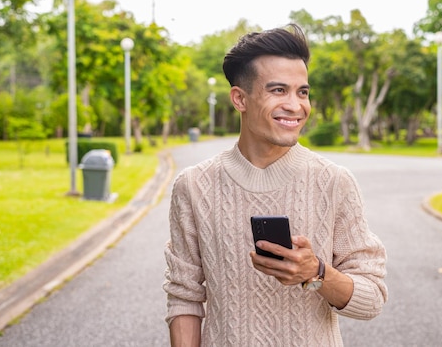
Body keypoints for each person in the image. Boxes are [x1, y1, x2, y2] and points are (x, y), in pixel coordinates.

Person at [163, 24, 387, 346]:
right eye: (279, 90)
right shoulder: (194, 186)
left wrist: (316, 272)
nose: (296, 106)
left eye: (303, 92)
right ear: (240, 98)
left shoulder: (334, 182)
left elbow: (373, 298)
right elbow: (184, 296)